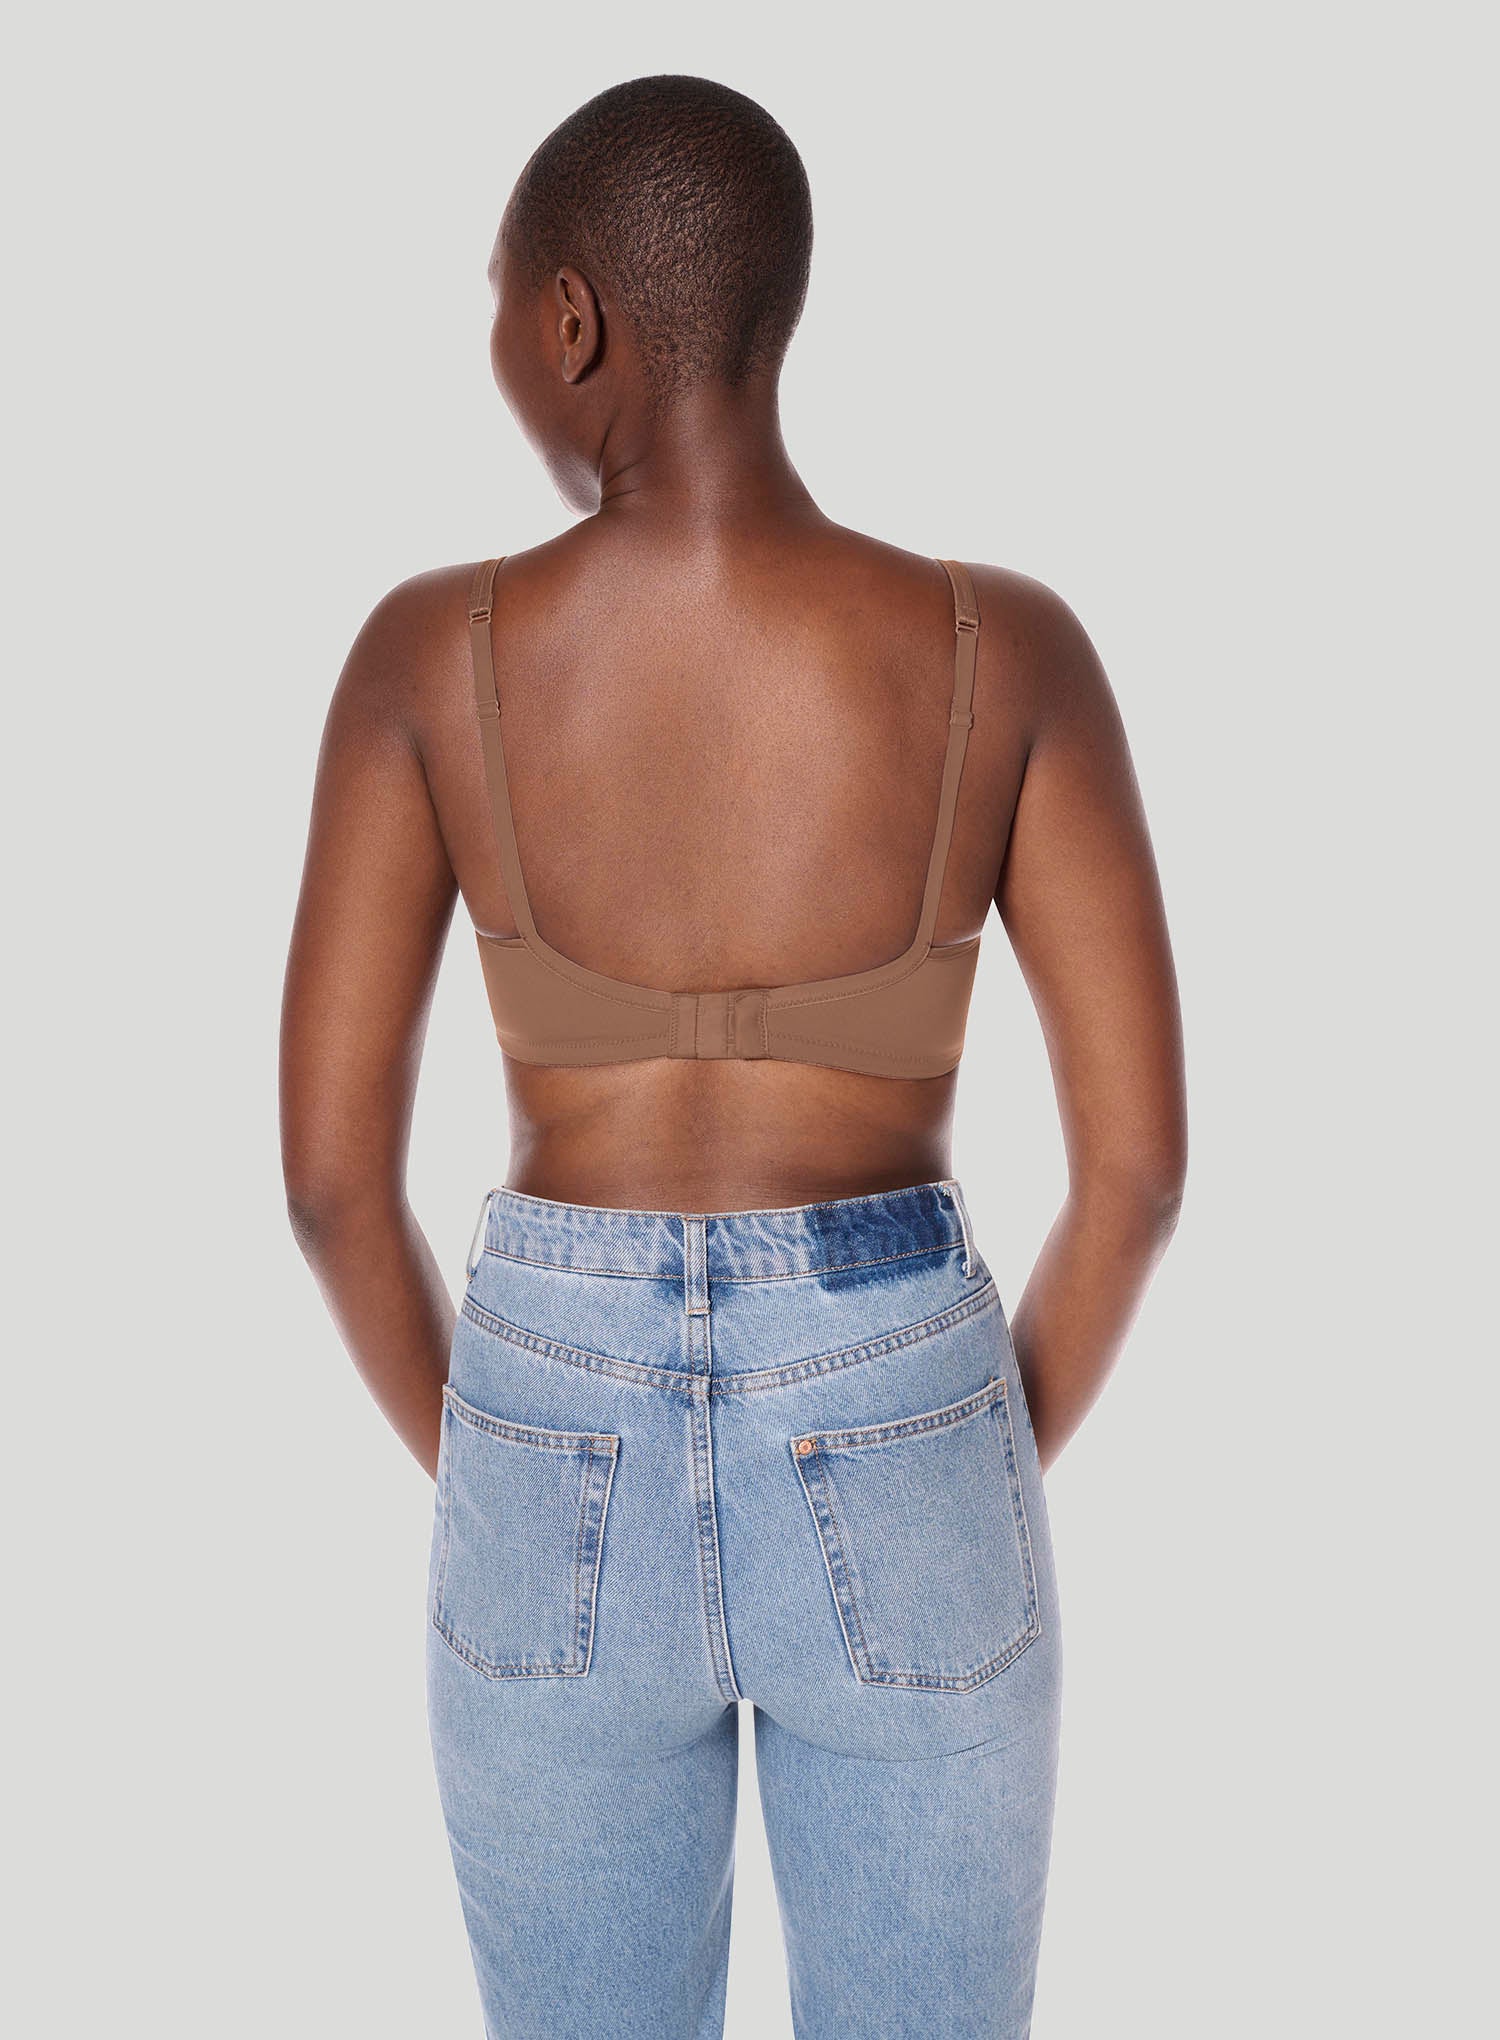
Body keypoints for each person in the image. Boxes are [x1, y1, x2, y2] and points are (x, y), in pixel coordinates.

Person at [280, 72, 1186, 2040]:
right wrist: (948, 1455)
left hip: (549, 1412)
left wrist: (520, 1459)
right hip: (903, 1390)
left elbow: (333, 1187)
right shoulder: (1004, 648)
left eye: (499, 301)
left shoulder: (427, 657)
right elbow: (1136, 1173)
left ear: (572, 323)